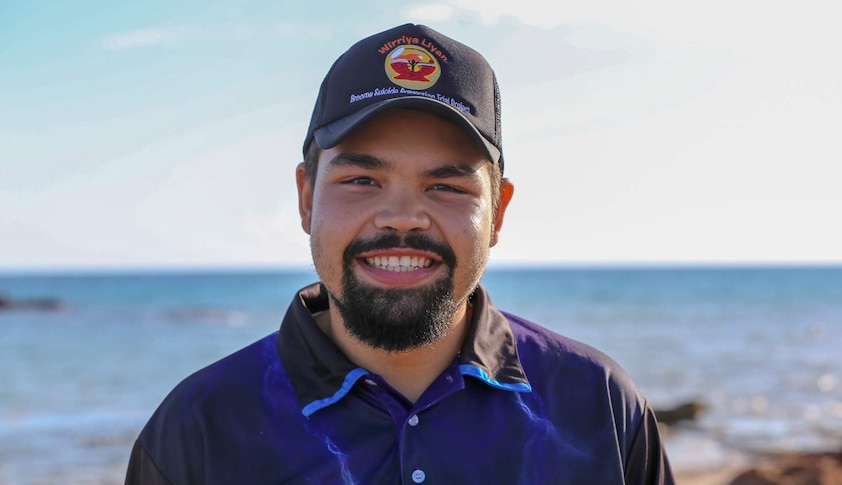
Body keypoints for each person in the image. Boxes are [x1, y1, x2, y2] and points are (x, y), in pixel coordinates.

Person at [125, 23, 675, 484]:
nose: (402, 217)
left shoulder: (599, 407)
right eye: (363, 179)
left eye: (447, 187)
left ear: (498, 213)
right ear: (305, 198)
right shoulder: (199, 427)